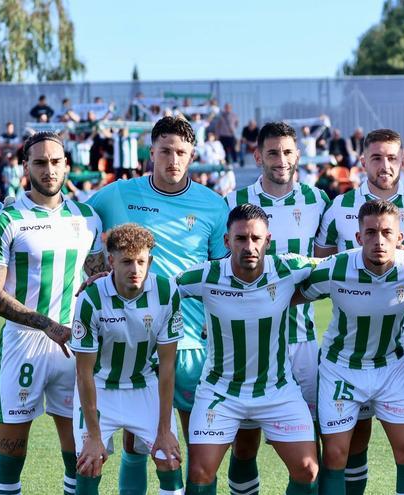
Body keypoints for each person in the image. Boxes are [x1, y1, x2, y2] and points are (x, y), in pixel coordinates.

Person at [84, 116, 229, 495]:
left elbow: (219, 276)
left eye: (181, 152)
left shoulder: (213, 206)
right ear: (152, 153)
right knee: (136, 445)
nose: (173, 160)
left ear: (193, 155)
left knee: (196, 449)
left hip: (193, 343)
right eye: (165, 151)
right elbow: (76, 228)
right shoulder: (116, 195)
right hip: (134, 342)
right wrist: (97, 269)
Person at [300, 199, 404, 495]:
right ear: (359, 238)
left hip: (392, 368)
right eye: (370, 233)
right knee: (335, 456)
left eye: (387, 232)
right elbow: (293, 294)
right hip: (341, 368)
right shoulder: (335, 268)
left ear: (400, 238)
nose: (378, 240)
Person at [0, 131, 104, 495]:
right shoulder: (6, 219)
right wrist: (45, 324)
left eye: (55, 161)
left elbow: (96, 279)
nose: (49, 169)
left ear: (67, 165)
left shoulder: (88, 218)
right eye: (39, 162)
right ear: (25, 167)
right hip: (25, 344)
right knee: (9, 458)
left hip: (73, 349)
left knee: (79, 458)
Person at [315, 129, 404, 494]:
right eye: (376, 158)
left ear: (403, 161)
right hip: (350, 344)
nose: (384, 166)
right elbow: (320, 266)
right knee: (354, 441)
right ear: (363, 161)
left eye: (391, 158)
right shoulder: (339, 207)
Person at [178, 205, 319, 495]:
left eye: (256, 239)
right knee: (199, 472)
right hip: (220, 391)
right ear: (227, 242)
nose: (249, 246)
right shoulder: (206, 275)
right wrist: (104, 280)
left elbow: (340, 263)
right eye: (241, 239)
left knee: (307, 469)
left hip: (277, 389)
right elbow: (153, 287)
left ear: (267, 240)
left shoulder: (287, 268)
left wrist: (398, 253)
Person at [70, 224, 185, 494]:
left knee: (169, 459)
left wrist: (165, 429)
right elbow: (83, 373)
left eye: (141, 262)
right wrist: (95, 437)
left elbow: (167, 366)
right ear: (111, 261)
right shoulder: (90, 299)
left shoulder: (167, 293)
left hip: (144, 385)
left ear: (150, 261)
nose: (135, 270)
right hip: (99, 387)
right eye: (126, 262)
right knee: (89, 464)